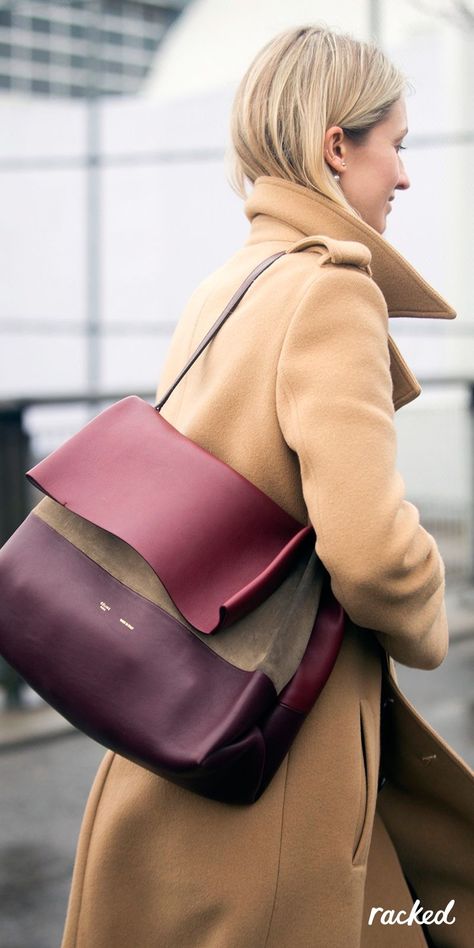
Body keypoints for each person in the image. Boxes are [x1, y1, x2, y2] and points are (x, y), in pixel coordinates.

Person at [61, 26, 473, 948]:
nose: (405, 178)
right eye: (396, 145)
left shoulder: (229, 283)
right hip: (282, 750)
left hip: (184, 714)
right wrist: (428, 604)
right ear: (338, 147)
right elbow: (369, 550)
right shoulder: (332, 293)